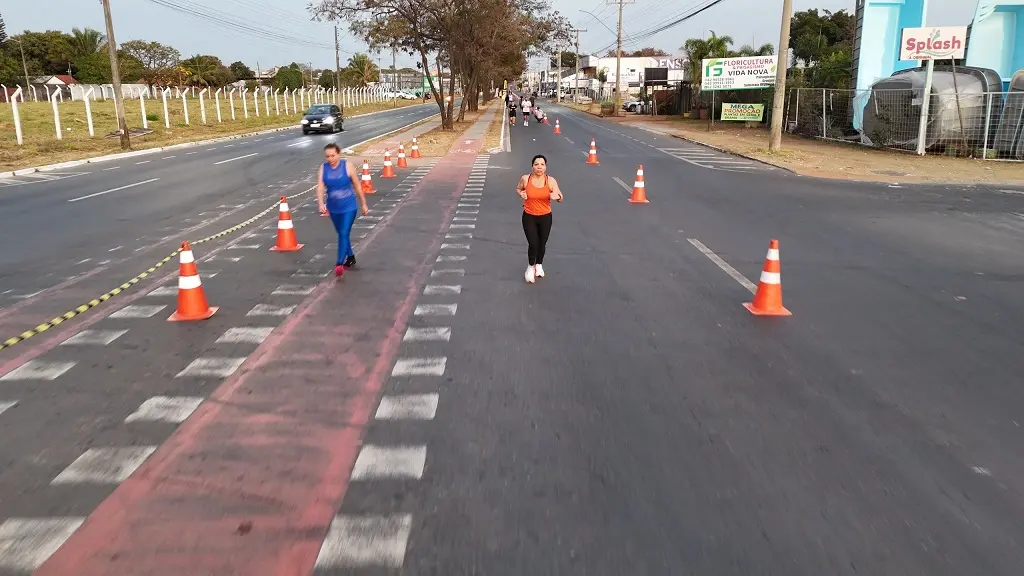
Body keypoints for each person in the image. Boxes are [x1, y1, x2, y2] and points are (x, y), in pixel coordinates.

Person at [317, 143, 369, 277]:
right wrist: (321, 203)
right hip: (333, 208)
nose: (330, 159)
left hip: (349, 206)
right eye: (327, 156)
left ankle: (340, 262)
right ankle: (350, 257)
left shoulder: (347, 166)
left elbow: (357, 185)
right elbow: (320, 187)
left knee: (344, 232)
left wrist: (363, 204)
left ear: (339, 154)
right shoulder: (323, 168)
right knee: (342, 233)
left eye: (333, 155)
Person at [515, 154, 563, 284]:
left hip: (545, 217)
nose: (539, 167)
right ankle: (530, 267)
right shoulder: (526, 179)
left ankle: (539, 265)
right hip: (529, 216)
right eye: (536, 164)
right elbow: (518, 189)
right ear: (532, 166)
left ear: (545, 167)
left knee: (542, 243)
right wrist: (521, 193)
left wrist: (556, 197)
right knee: (533, 243)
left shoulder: (551, 181)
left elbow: (560, 196)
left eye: (542, 164)